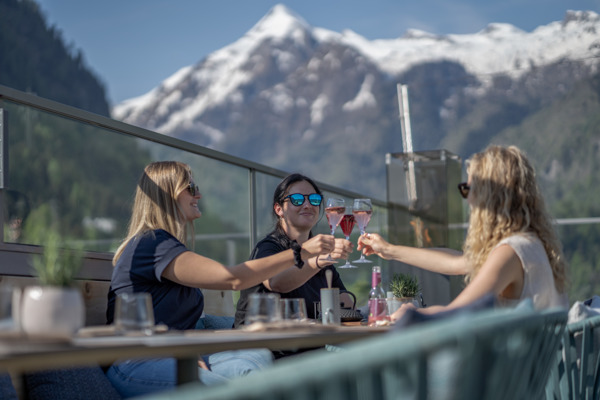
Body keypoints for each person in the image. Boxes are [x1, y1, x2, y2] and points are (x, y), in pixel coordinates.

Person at [105, 162, 340, 398]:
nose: (198, 194)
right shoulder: (152, 244)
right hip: (137, 360)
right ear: (168, 193)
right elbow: (233, 278)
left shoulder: (167, 246)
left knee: (257, 357)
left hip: (175, 354)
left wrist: (247, 333)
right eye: (191, 188)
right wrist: (301, 252)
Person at [358, 145, 569, 321]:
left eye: (468, 189)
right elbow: (457, 263)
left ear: (488, 196)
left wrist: (412, 313)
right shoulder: (530, 244)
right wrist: (388, 250)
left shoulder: (510, 252)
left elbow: (458, 312)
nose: (467, 199)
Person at [234, 173, 354, 332]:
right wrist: (317, 261)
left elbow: (345, 303)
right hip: (261, 341)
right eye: (297, 199)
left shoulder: (321, 255)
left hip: (307, 340)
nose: (307, 205)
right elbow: (275, 282)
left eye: (314, 199)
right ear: (279, 209)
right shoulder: (268, 248)